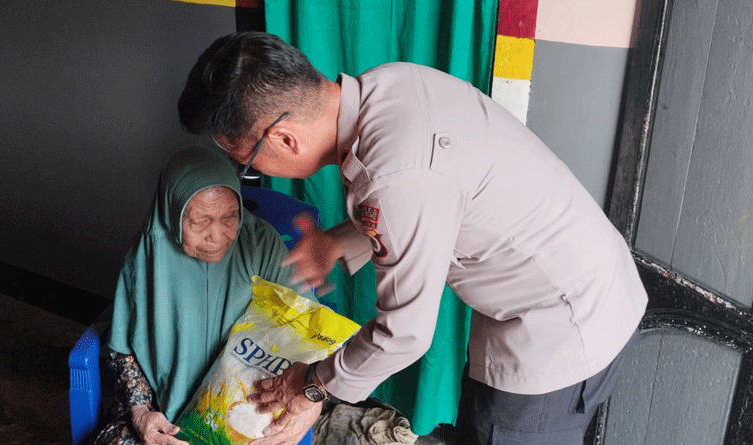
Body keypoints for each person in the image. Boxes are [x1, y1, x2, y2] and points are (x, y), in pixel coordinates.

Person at [178, 31, 648, 444]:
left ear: (284, 138)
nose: (250, 171)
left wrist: (312, 387)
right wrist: (337, 243)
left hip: (557, 331)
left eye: (245, 161)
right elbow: (428, 200)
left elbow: (404, 333)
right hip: (591, 284)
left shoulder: (395, 176)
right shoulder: (390, 84)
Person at [93, 145, 320, 445]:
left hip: (242, 411)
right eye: (200, 221)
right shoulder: (147, 252)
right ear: (172, 214)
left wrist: (310, 400)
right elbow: (124, 346)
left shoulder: (260, 243)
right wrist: (141, 412)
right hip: (161, 412)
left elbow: (309, 330)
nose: (217, 235)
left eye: (230, 217)